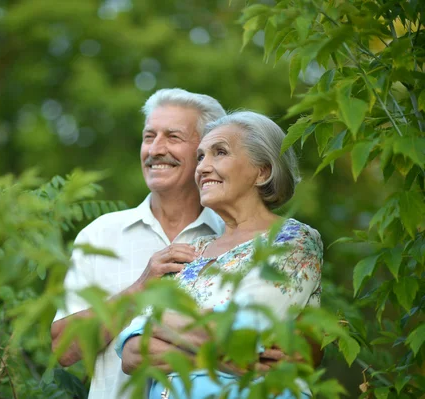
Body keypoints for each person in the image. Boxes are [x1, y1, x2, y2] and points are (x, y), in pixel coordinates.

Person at [115, 111, 323, 398]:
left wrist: (160, 325)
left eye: (219, 153)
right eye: (200, 157)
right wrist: (214, 357)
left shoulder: (293, 240)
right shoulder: (191, 249)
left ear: (262, 171)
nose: (201, 168)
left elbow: (246, 334)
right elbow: (132, 353)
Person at [51, 88, 228, 399]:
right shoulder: (99, 235)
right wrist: (140, 288)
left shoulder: (237, 237)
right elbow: (64, 350)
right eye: (149, 137)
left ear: (206, 152)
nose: (155, 149)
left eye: (173, 137)